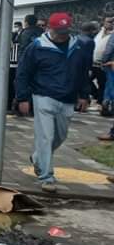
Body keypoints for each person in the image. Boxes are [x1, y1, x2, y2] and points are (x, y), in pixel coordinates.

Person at [15, 12, 93, 193]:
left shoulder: (78, 47)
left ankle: (37, 158)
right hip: (44, 96)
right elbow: (23, 73)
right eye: (59, 31)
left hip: (68, 99)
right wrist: (22, 97)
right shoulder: (37, 47)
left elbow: (83, 73)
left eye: (65, 31)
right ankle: (47, 176)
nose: (62, 34)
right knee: (46, 136)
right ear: (49, 28)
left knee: (60, 136)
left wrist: (84, 95)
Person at [92, 16, 113, 106]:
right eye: (109, 21)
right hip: (93, 62)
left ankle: (103, 102)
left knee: (104, 83)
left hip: (105, 63)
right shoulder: (99, 32)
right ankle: (98, 97)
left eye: (113, 21)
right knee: (87, 80)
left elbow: (109, 49)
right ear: (104, 22)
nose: (111, 23)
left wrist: (105, 60)